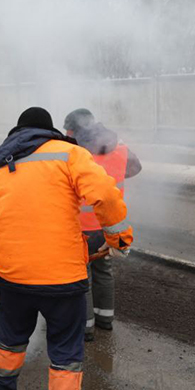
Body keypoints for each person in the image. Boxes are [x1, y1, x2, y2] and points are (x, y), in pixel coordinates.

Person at [0, 107, 133, 390]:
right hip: (60, 277)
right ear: (48, 130)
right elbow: (106, 196)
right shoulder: (70, 154)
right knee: (65, 351)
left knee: (9, 338)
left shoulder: (0, 167)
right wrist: (119, 239)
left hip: (11, 276)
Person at [63, 108, 142, 341]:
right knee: (104, 272)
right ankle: (105, 319)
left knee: (82, 277)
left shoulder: (76, 151)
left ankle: (85, 327)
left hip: (81, 226)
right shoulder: (118, 145)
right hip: (108, 224)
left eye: (68, 129)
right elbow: (135, 168)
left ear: (75, 128)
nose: (65, 133)